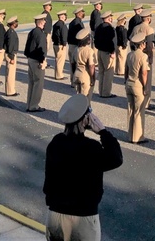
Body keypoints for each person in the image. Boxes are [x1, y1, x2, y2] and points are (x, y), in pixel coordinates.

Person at [43, 94, 123, 241]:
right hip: (84, 216)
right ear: (86, 119)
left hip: (55, 214)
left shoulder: (55, 144)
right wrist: (103, 132)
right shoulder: (91, 148)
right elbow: (116, 158)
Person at [124, 26, 150, 144]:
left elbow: (126, 70)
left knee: (131, 110)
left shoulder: (130, 55)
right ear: (141, 44)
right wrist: (145, 87)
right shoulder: (143, 56)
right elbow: (144, 73)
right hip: (137, 84)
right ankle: (138, 136)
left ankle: (130, 135)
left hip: (129, 83)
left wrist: (126, 80)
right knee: (139, 111)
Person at [24, 12, 49, 112]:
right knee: (38, 83)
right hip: (37, 61)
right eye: (44, 21)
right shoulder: (41, 34)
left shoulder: (32, 32)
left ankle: (29, 104)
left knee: (31, 83)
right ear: (41, 22)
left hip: (30, 59)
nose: (45, 22)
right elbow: (41, 49)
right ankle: (34, 105)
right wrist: (42, 61)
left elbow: (27, 47)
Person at [94, 11, 117, 98]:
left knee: (101, 72)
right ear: (108, 18)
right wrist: (112, 52)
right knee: (108, 73)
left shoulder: (99, 27)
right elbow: (111, 41)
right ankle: (106, 92)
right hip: (107, 52)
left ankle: (101, 91)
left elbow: (95, 40)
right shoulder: (109, 28)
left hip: (100, 51)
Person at [72, 29, 95, 103]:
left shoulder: (76, 49)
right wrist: (92, 78)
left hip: (76, 74)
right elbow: (91, 66)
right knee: (86, 99)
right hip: (85, 75)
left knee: (78, 98)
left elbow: (73, 63)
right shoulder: (89, 50)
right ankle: (85, 114)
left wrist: (73, 74)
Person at [68, 8, 87, 81]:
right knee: (76, 64)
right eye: (82, 12)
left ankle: (73, 80)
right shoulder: (77, 23)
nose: (83, 13)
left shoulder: (74, 22)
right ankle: (75, 81)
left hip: (72, 45)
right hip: (75, 45)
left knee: (73, 64)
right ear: (79, 14)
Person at [4, 16, 20, 96]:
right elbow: (10, 46)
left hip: (10, 54)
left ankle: (11, 90)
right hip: (11, 55)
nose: (17, 23)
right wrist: (12, 57)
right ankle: (10, 91)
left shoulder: (10, 32)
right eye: (16, 22)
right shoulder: (11, 33)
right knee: (10, 74)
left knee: (11, 73)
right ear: (13, 24)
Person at [51, 10, 69, 81]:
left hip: (55, 44)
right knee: (60, 61)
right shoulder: (63, 25)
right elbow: (64, 35)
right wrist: (64, 44)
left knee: (57, 60)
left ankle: (56, 74)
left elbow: (53, 35)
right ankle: (59, 75)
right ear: (62, 16)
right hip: (60, 45)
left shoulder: (55, 25)